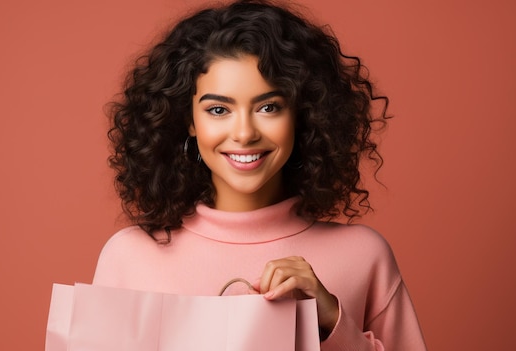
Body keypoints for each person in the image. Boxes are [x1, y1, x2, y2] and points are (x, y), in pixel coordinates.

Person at [93, 0, 427, 349]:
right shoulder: (129, 259)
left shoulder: (364, 256)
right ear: (189, 121)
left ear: (301, 115)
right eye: (218, 109)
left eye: (269, 107)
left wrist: (329, 321)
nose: (244, 133)